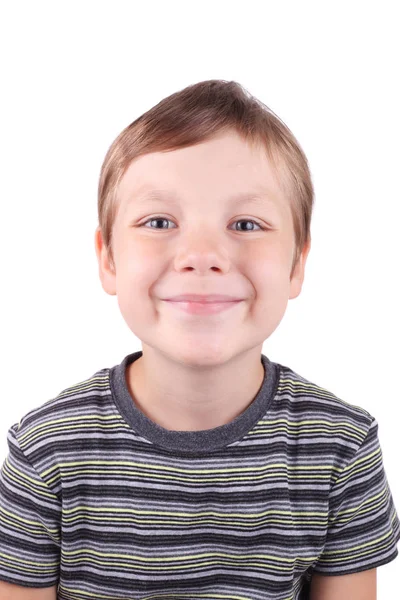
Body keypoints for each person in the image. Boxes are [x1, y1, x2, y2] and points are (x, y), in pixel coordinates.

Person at [0, 80, 398, 600]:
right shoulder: (46, 450)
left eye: (247, 223)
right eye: (160, 221)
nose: (203, 254)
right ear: (109, 259)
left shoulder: (340, 448)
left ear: (297, 264)